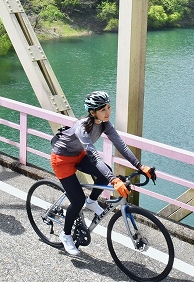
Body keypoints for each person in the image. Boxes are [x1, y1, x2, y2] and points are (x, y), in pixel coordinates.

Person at [50, 90, 157, 256]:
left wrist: (140, 166)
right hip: (62, 159)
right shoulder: (82, 128)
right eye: (103, 109)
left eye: (108, 107)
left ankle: (92, 201)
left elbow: (121, 146)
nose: (108, 112)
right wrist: (114, 180)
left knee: (104, 173)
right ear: (92, 112)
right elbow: (94, 156)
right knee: (77, 201)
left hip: (78, 155)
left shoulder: (105, 124)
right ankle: (65, 235)